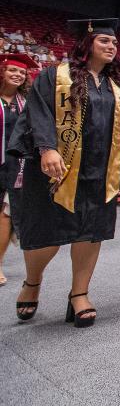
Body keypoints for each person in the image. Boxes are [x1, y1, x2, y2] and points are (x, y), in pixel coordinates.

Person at [9, 18, 120, 328]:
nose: (112, 46)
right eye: (105, 40)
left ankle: (79, 294)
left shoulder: (115, 86)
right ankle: (33, 281)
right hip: (58, 168)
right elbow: (38, 112)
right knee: (47, 234)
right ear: (86, 42)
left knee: (90, 232)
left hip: (99, 170)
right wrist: (47, 147)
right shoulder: (55, 76)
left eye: (115, 43)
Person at [0, 54, 38, 287]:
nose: (17, 75)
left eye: (22, 72)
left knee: (6, 213)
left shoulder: (25, 102)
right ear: (2, 72)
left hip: (15, 166)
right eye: (12, 70)